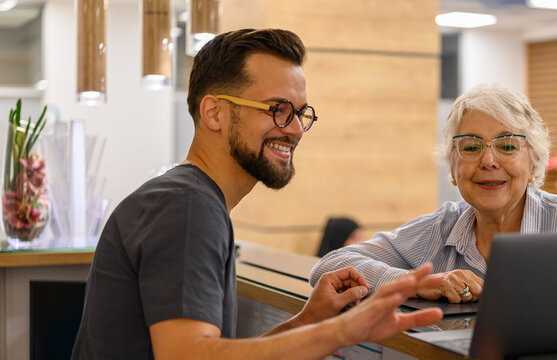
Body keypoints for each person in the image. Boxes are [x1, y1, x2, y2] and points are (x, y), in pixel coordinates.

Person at [71, 29, 444, 360]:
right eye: (277, 109)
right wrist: (343, 332)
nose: (296, 129)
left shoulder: (190, 198)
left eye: (301, 113)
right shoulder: (187, 207)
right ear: (214, 112)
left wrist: (309, 321)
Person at [309, 83, 557, 339]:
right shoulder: (438, 230)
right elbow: (329, 265)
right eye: (470, 147)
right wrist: (417, 283)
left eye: (507, 145)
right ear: (453, 167)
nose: (488, 161)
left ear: (534, 163)